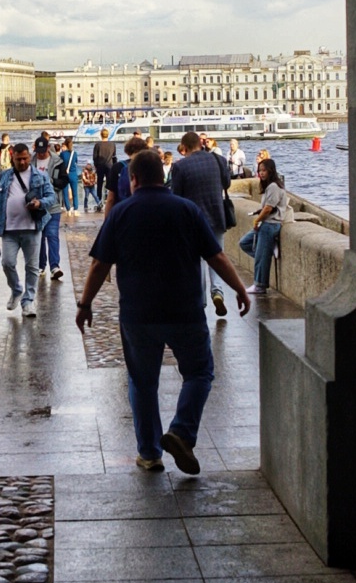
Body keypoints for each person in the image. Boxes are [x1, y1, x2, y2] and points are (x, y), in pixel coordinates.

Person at [75, 149, 249, 474]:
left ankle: (150, 453)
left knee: (142, 383)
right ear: (164, 176)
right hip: (185, 309)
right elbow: (217, 257)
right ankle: (182, 431)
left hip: (138, 314)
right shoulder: (187, 210)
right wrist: (239, 289)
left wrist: (85, 304)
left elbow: (100, 264)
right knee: (199, 373)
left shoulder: (121, 213)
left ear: (133, 178)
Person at [0, 141, 56, 318]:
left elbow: (51, 196)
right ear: (13, 158)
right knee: (7, 263)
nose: (23, 162)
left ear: (29, 157)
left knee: (32, 267)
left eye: (25, 158)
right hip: (9, 229)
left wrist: (40, 203)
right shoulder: (4, 176)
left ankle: (28, 301)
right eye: (19, 159)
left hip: (32, 228)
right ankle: (16, 289)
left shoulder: (39, 176)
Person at [171, 130, 232, 318]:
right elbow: (227, 184)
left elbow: (176, 196)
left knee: (198, 261)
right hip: (217, 215)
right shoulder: (219, 160)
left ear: (186, 148)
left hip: (193, 221)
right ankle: (218, 292)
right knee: (217, 255)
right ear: (200, 143)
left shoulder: (180, 167)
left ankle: (202, 301)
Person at [239, 158, 288, 295]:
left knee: (260, 255)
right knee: (245, 243)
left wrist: (257, 221)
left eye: (264, 170)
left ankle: (259, 285)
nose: (261, 173)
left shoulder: (273, 186)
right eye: (259, 170)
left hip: (270, 225)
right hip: (266, 224)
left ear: (271, 170)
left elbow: (268, 208)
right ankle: (267, 254)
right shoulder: (269, 186)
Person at [32, 135, 64, 280]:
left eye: (43, 150)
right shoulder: (30, 161)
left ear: (48, 147)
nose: (40, 153)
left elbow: (64, 181)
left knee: (52, 236)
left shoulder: (57, 161)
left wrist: (50, 181)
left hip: (53, 205)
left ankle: (54, 266)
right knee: (39, 236)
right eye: (38, 151)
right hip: (36, 206)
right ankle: (40, 265)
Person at [103, 136, 148, 217]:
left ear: (127, 151)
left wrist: (107, 222)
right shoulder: (149, 165)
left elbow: (111, 199)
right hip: (144, 211)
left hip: (123, 213)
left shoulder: (118, 167)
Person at [92, 128, 117, 205]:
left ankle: (99, 201)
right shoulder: (112, 145)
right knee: (109, 183)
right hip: (110, 166)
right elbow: (114, 156)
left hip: (100, 166)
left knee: (99, 184)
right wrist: (114, 165)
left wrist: (96, 165)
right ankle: (108, 198)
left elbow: (94, 157)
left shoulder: (97, 145)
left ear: (101, 135)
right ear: (108, 135)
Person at [59, 135, 80, 215]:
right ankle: (76, 209)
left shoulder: (62, 154)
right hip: (73, 174)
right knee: (75, 193)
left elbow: (60, 163)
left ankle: (68, 209)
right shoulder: (74, 153)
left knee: (65, 193)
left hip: (65, 174)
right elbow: (76, 162)